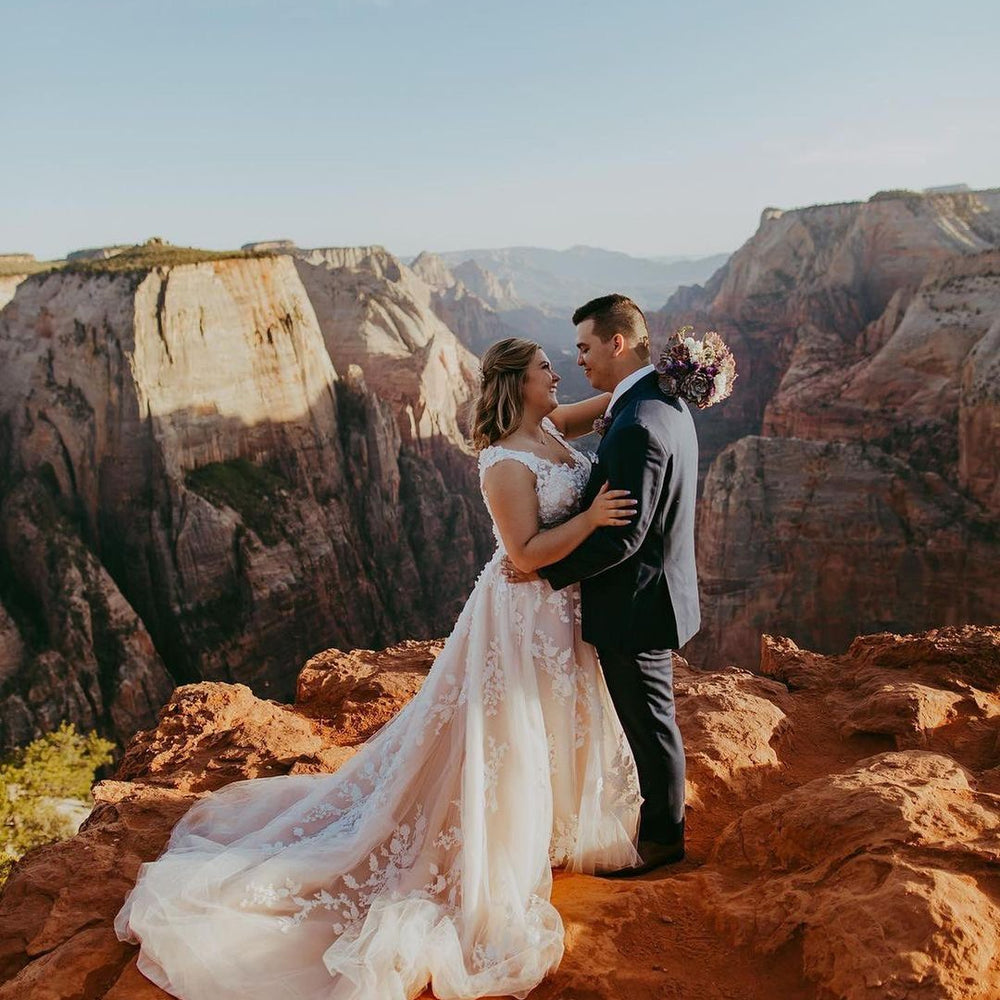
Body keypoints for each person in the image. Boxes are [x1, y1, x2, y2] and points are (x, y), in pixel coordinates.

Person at [114, 336, 645, 1000]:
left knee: (552, 721)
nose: (556, 374)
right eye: (545, 368)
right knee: (510, 734)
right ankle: (502, 842)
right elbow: (527, 553)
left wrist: (659, 381)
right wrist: (594, 517)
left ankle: (556, 825)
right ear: (518, 382)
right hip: (523, 616)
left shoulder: (547, 425)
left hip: (560, 617)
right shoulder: (503, 462)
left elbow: (607, 408)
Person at [504, 294, 700, 873]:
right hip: (655, 591)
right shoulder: (656, 399)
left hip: (635, 602)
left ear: (617, 343)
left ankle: (664, 841)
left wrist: (542, 571)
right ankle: (657, 825)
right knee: (647, 717)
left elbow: (623, 538)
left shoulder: (637, 423)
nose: (578, 360)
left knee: (650, 723)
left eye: (585, 347)